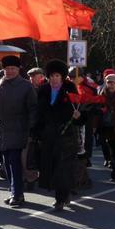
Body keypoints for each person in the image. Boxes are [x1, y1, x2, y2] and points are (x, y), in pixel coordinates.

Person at [0, 55, 37, 208]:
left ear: (18, 69)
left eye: (13, 68)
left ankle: (17, 194)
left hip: (19, 128)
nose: (9, 71)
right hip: (2, 129)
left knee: (14, 162)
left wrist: (30, 128)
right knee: (5, 162)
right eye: (7, 68)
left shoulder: (26, 86)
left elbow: (33, 109)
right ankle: (13, 190)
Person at [35, 60, 82, 211]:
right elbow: (38, 114)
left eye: (57, 75)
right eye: (51, 76)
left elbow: (81, 112)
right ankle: (60, 194)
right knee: (52, 166)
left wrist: (78, 116)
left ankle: (61, 198)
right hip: (49, 135)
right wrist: (37, 132)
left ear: (62, 76)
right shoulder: (43, 90)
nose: (54, 78)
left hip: (66, 135)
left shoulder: (70, 89)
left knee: (63, 167)